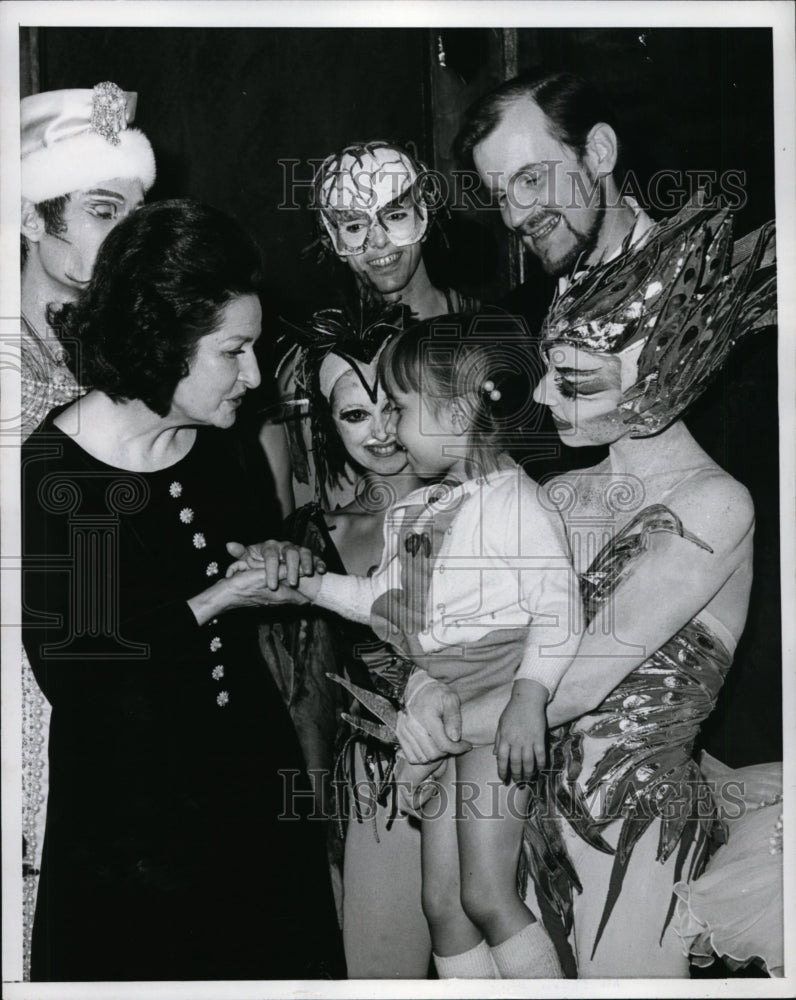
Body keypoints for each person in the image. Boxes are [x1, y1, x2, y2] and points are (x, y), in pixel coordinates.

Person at [394, 197, 778, 976]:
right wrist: (423, 686)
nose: (541, 400)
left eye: (575, 383)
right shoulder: (562, 494)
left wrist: (434, 733)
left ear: (660, 378)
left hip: (628, 829)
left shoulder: (717, 503)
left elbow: (575, 688)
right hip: (515, 808)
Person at [21, 199, 344, 981]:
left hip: (246, 792)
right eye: (233, 351)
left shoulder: (210, 450)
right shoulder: (72, 476)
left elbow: (232, 556)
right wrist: (216, 601)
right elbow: (86, 667)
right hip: (134, 829)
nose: (255, 374)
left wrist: (269, 560)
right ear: (162, 341)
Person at [230, 315, 583, 979]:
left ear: (455, 414)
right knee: (441, 905)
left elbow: (559, 606)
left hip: (491, 706)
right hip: (443, 709)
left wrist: (528, 699)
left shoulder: (517, 504)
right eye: (371, 411)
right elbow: (382, 604)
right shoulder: (418, 513)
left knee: (485, 893)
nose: (387, 428)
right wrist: (305, 585)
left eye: (400, 408)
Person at [18, 80, 156, 979]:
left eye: (135, 212)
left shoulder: (105, 360)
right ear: (34, 220)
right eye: (103, 211)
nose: (128, 238)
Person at [258, 303, 433, 977]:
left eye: (394, 405)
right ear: (329, 425)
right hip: (375, 797)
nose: (382, 432)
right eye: (355, 414)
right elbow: (302, 708)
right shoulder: (309, 538)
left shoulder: (493, 506)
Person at [261, 140, 480, 513]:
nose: (377, 241)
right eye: (355, 224)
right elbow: (304, 504)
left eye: (394, 216)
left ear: (423, 213)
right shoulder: (307, 366)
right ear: (333, 236)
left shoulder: (486, 333)